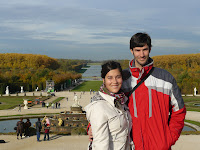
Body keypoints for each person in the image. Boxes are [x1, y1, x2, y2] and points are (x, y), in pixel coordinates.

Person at [88, 33, 186, 150]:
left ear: (150, 49)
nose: (142, 54)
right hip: (132, 146)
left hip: (160, 146)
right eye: (137, 50)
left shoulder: (166, 78)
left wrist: (169, 138)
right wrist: (91, 126)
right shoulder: (122, 78)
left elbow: (179, 111)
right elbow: (103, 100)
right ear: (131, 51)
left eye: (145, 50)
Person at [85, 61, 134, 150]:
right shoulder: (99, 107)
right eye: (110, 78)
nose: (114, 81)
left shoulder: (122, 101)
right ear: (104, 80)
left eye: (118, 77)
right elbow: (100, 145)